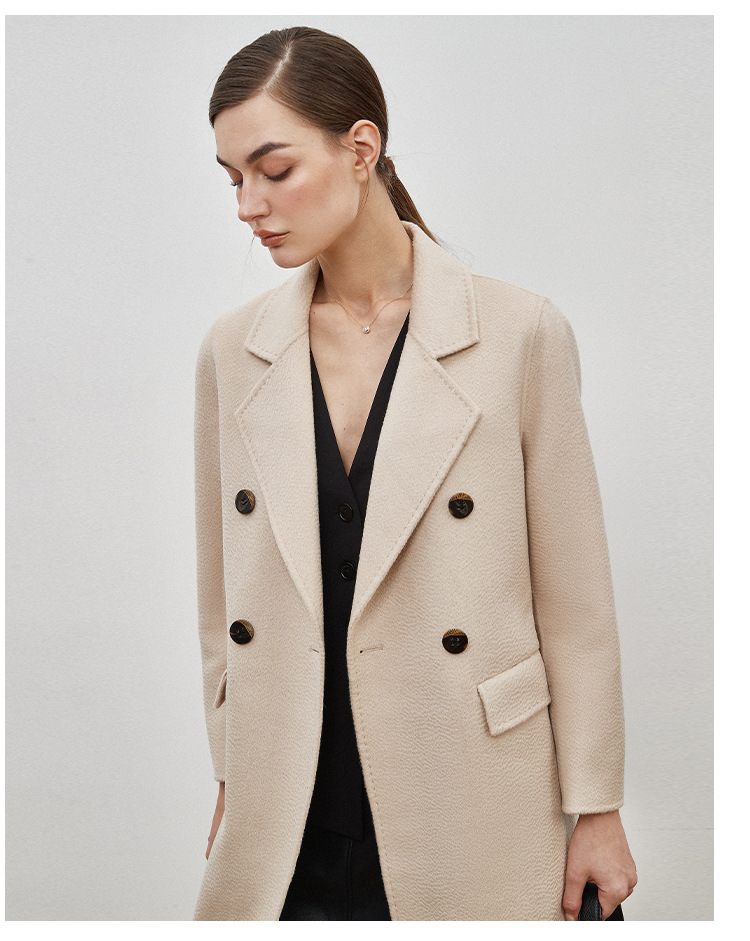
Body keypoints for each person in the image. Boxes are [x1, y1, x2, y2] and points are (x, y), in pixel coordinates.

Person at [193, 26, 637, 921]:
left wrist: (597, 807)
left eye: (273, 169)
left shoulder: (517, 334)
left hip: (472, 782)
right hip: (293, 795)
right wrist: (236, 771)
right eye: (232, 177)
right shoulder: (233, 352)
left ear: (361, 149)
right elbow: (223, 598)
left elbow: (577, 602)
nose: (248, 204)